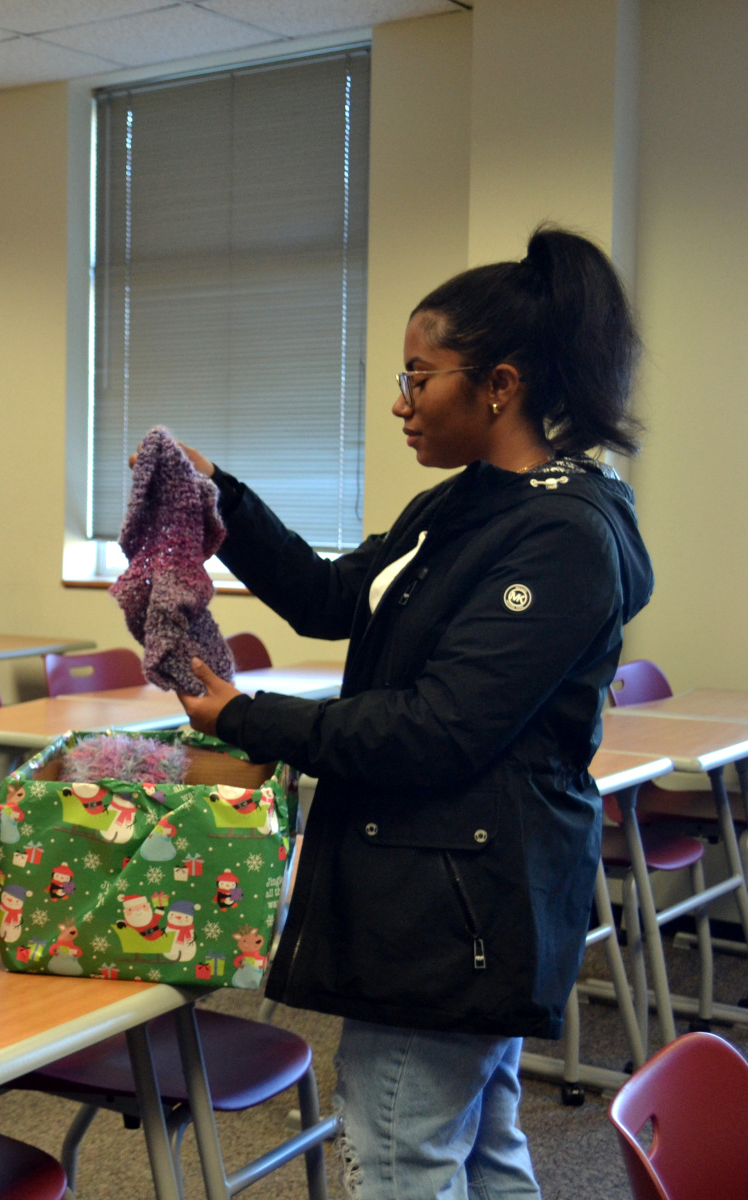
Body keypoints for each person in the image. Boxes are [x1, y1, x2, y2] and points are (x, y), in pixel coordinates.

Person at [175, 225, 652, 1199]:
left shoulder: (559, 535)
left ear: (500, 386)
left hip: (457, 905)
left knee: (399, 1156)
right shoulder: (466, 504)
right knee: (478, 1148)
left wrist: (240, 717)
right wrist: (217, 500)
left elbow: (437, 730)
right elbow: (330, 596)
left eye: (418, 376)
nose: (400, 402)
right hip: (447, 888)